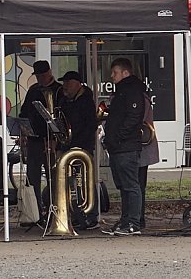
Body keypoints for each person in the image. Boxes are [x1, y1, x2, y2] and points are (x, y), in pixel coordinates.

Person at [101, 57, 146, 236]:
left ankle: (133, 222)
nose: (112, 76)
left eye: (115, 72)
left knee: (131, 185)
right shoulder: (122, 91)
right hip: (118, 146)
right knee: (123, 186)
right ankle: (126, 220)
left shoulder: (132, 91)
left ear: (125, 72)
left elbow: (133, 117)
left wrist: (118, 137)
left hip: (126, 146)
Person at [19, 59, 62, 222]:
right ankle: (36, 214)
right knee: (33, 178)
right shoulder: (33, 90)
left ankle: (55, 212)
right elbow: (24, 112)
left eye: (42, 75)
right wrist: (23, 132)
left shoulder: (58, 90)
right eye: (37, 76)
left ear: (49, 73)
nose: (40, 79)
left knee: (53, 177)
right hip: (34, 140)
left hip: (51, 141)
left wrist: (55, 140)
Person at [56, 70, 99, 229]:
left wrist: (77, 143)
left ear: (77, 83)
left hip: (82, 147)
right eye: (64, 82)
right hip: (68, 146)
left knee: (84, 182)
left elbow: (90, 125)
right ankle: (76, 214)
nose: (64, 86)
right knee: (71, 183)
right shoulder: (65, 101)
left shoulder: (86, 101)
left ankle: (90, 215)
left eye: (68, 82)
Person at [138, 91, 159, 229]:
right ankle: (137, 217)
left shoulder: (142, 100)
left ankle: (138, 218)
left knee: (138, 185)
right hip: (140, 147)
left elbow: (138, 120)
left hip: (142, 147)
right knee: (137, 185)